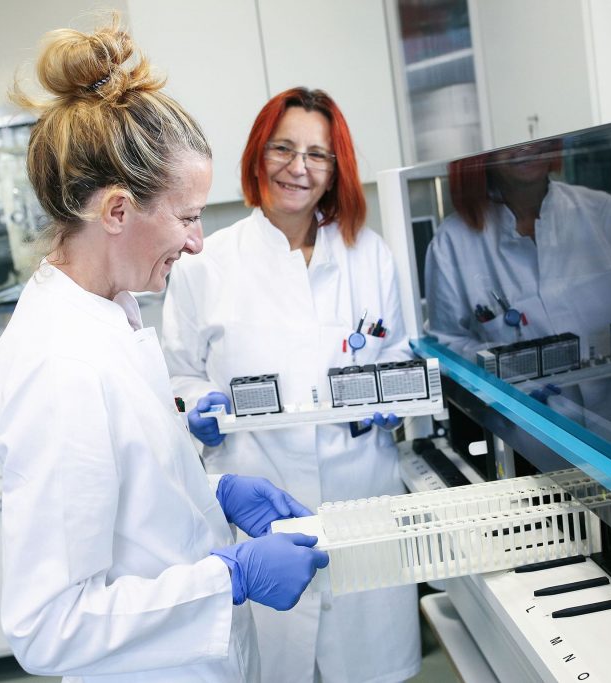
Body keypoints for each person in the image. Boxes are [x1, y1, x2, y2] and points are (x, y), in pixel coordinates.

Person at [0, 20, 328, 681]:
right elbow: (48, 626)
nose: (198, 242)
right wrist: (227, 578)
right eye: (188, 216)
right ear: (116, 211)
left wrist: (212, 493)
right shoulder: (60, 365)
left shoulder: (111, 313)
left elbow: (129, 501)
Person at [162, 87, 422, 682]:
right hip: (263, 507)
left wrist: (394, 395)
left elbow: (398, 351)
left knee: (371, 668)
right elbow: (178, 373)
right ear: (258, 156)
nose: (298, 168)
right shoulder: (205, 261)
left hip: (362, 499)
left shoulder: (369, 255)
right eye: (282, 148)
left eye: (317, 154)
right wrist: (197, 406)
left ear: (336, 169)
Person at [424, 141, 611, 445]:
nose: (526, 147)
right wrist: (506, 377)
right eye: (508, 140)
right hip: (534, 441)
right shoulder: (453, 242)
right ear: (481, 153)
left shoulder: (606, 213)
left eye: (534, 135)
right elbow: (447, 347)